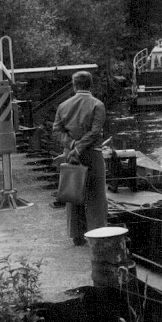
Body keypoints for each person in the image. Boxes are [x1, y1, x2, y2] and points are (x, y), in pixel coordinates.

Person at [51, 70, 108, 246]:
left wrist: (71, 145)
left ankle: (76, 235)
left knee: (73, 193)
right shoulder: (97, 105)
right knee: (96, 195)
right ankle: (97, 236)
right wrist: (80, 146)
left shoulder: (63, 106)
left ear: (74, 85)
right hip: (92, 153)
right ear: (91, 85)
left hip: (70, 154)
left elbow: (57, 130)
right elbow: (96, 131)